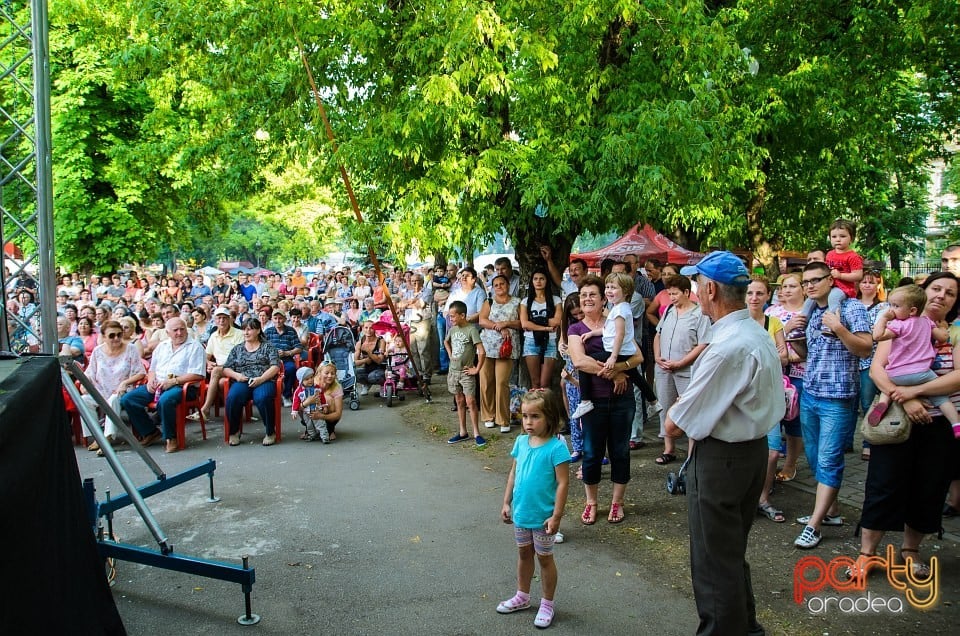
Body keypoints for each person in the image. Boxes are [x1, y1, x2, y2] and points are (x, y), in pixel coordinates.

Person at [664, 251, 784, 636]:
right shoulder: (753, 333)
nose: (695, 291)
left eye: (697, 284)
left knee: (714, 562)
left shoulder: (728, 345)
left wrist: (675, 412)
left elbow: (677, 423)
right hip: (750, 453)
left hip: (723, 460)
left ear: (710, 289)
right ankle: (746, 628)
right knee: (729, 554)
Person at [853, 272, 960, 581]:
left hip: (940, 424)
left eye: (950, 293)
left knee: (928, 488)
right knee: (883, 483)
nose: (941, 295)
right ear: (921, 294)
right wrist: (907, 399)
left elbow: (957, 377)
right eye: (936, 288)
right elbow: (877, 369)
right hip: (898, 418)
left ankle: (910, 549)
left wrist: (915, 392)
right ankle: (867, 553)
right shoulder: (900, 326)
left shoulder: (952, 332)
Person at [792, 261, 872, 549]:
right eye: (806, 282)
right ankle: (832, 512)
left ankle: (814, 526)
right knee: (813, 457)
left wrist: (839, 328)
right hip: (811, 393)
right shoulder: (812, 312)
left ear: (831, 280)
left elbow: (865, 348)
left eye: (816, 280)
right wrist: (794, 335)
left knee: (828, 459)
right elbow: (805, 354)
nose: (810, 286)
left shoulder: (851, 309)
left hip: (837, 397)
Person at [567, 276, 643, 525]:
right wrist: (617, 373)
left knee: (620, 451)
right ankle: (591, 502)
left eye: (593, 294)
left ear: (603, 299)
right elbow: (579, 361)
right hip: (593, 401)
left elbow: (639, 356)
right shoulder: (576, 329)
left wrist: (622, 367)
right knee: (591, 453)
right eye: (584, 294)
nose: (587, 299)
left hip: (622, 400)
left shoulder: (617, 320)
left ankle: (617, 503)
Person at [497, 389, 570, 629]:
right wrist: (506, 502)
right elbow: (513, 473)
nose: (528, 422)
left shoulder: (556, 448)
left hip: (543, 517)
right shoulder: (520, 441)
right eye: (525, 416)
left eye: (535, 416)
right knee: (524, 555)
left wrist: (556, 516)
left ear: (549, 417)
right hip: (521, 513)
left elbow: (562, 483)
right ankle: (523, 596)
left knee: (545, 559)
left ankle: (547, 603)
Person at [867, 285, 958, 435]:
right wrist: (943, 329)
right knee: (941, 398)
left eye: (895, 306)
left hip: (897, 374)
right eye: (890, 305)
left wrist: (883, 319)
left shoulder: (898, 325)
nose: (891, 310)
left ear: (912, 310)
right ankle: (956, 424)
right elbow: (942, 338)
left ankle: (883, 402)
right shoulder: (926, 322)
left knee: (889, 379)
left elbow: (877, 336)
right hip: (922, 372)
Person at [571, 272, 660, 419]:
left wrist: (613, 359)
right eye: (607, 287)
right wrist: (593, 334)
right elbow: (609, 330)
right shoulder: (618, 308)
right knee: (636, 376)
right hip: (624, 352)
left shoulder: (619, 310)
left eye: (613, 288)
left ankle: (585, 401)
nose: (609, 290)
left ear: (625, 292)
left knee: (589, 360)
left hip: (619, 352)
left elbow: (619, 334)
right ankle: (653, 401)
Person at [119, 317, 206, 453]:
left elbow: (198, 375)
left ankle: (171, 437)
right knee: (128, 399)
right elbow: (152, 368)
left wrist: (174, 381)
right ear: (167, 332)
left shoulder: (195, 346)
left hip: (182, 386)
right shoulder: (162, 346)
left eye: (182, 329)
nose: (179, 333)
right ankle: (150, 431)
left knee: (165, 401)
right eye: (175, 330)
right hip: (159, 384)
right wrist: (151, 380)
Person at [652, 274, 711, 465]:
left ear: (686, 292)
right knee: (665, 407)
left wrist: (681, 362)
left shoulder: (699, 315)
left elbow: (703, 344)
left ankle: (693, 453)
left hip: (687, 370)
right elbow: (658, 334)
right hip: (664, 368)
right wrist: (657, 356)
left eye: (675, 293)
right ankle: (669, 449)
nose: (672, 297)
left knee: (691, 409)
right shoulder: (669, 310)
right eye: (669, 293)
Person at [746, 277, 790, 524]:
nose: (754, 297)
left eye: (759, 293)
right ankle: (745, 498)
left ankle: (763, 498)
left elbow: (784, 357)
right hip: (744, 398)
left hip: (770, 394)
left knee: (772, 452)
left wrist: (769, 355)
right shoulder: (738, 322)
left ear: (766, 296)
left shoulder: (773, 322)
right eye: (750, 292)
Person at [79, 320, 146, 452]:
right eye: (111, 335)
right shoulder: (98, 351)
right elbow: (90, 372)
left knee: (113, 399)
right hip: (101, 389)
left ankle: (107, 438)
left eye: (119, 335)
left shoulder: (130, 349)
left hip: (122, 390)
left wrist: (125, 383)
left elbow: (141, 372)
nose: (116, 338)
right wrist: (84, 384)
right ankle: (97, 436)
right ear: (103, 337)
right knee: (84, 400)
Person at [792, 219, 864, 339]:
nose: (838, 239)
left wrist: (841, 276)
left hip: (843, 288)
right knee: (809, 301)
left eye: (842, 236)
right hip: (829, 286)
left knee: (833, 298)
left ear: (851, 238)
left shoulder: (853, 256)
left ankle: (831, 323)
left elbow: (858, 275)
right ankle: (800, 326)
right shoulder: (830, 254)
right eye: (834, 236)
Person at [222, 318, 282, 446]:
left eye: (249, 329)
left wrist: (261, 379)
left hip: (264, 379)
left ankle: (270, 432)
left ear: (258, 330)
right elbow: (226, 368)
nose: (246, 332)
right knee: (233, 397)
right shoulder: (237, 349)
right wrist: (236, 376)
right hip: (243, 380)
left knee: (263, 398)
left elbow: (275, 366)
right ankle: (234, 431)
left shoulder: (268, 347)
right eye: (244, 329)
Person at [479, 274, 522, 434]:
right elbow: (482, 320)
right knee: (486, 382)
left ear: (508, 285)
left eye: (502, 283)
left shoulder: (517, 302)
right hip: (487, 347)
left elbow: (521, 323)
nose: (499, 287)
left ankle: (503, 418)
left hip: (507, 348)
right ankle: (488, 416)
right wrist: (499, 327)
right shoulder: (488, 302)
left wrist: (507, 324)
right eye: (496, 285)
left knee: (502, 383)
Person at [444, 300, 487, 447]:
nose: (451, 319)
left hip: (466, 372)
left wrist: (477, 368)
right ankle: (463, 431)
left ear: (462, 315)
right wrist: (450, 355)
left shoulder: (471, 330)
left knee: (471, 402)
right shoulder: (453, 329)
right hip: (453, 371)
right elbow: (446, 342)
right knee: (459, 401)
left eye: (453, 316)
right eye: (449, 317)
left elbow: (481, 351)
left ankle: (476, 433)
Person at [519, 269, 562, 389]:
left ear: (547, 281)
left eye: (542, 278)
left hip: (550, 342)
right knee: (535, 382)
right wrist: (546, 328)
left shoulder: (556, 300)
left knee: (544, 384)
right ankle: (534, 408)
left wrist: (534, 321)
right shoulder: (525, 302)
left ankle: (545, 408)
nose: (538, 281)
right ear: (532, 281)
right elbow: (525, 324)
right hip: (530, 341)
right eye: (535, 278)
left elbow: (557, 321)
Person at [264, 309, 303, 407]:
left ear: (285, 319)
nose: (278, 321)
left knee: (291, 369)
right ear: (272, 319)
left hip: (286, 358)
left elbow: (299, 348)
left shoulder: (290, 330)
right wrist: (272, 353)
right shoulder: (268, 331)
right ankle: (270, 395)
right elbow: (261, 347)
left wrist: (287, 353)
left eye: (280, 318)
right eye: (275, 318)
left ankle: (286, 395)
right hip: (271, 360)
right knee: (264, 370)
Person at [308, 361, 344, 441]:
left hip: (326, 413)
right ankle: (309, 429)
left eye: (332, 373)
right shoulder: (311, 382)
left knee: (329, 399)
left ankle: (330, 429)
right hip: (311, 410)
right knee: (307, 400)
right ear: (319, 373)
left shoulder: (337, 387)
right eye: (326, 373)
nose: (330, 376)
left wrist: (321, 416)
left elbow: (338, 414)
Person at [354, 320, 387, 396]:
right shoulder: (360, 343)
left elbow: (380, 360)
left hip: (380, 369)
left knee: (373, 377)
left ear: (375, 329)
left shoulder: (381, 341)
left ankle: (383, 385)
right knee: (354, 373)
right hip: (367, 369)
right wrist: (365, 360)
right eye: (366, 328)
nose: (368, 330)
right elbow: (355, 362)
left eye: (371, 328)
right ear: (362, 329)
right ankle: (365, 384)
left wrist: (369, 352)